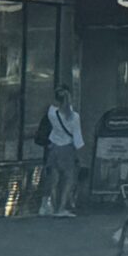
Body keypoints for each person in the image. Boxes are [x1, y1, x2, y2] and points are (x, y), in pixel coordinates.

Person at [40, 88, 85, 217]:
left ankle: (54, 208)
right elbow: (77, 139)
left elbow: (49, 105)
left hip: (54, 148)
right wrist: (80, 155)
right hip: (67, 149)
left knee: (54, 179)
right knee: (69, 179)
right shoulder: (74, 117)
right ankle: (62, 207)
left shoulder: (52, 113)